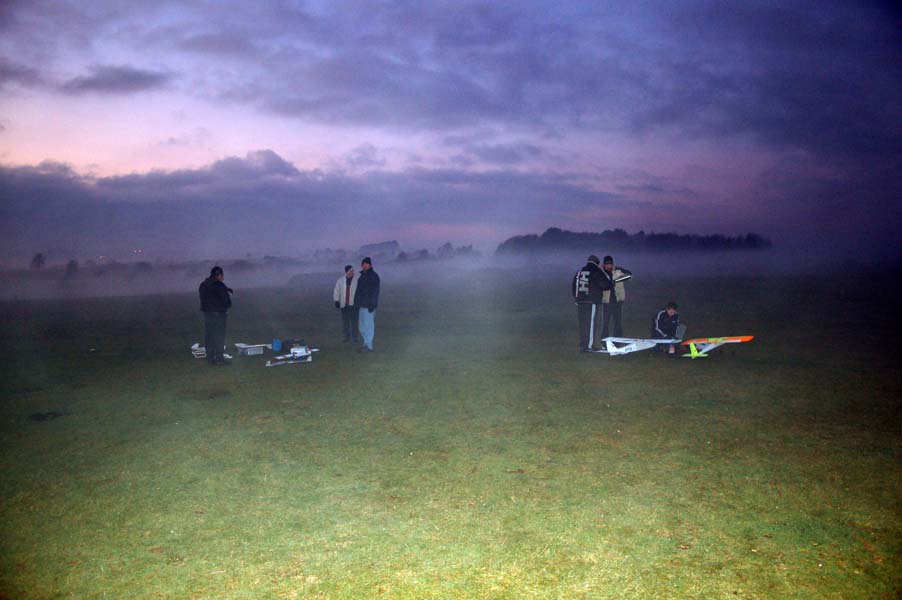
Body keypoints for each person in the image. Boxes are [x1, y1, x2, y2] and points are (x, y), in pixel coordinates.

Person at [572, 254, 611, 352]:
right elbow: (605, 284)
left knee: (583, 323)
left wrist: (576, 298)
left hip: (580, 301)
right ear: (597, 263)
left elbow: (574, 285)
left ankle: (583, 343)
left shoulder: (580, 271)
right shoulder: (596, 270)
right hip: (591, 301)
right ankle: (588, 347)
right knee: (591, 324)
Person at [198, 266, 233, 365]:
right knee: (219, 336)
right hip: (219, 315)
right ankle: (219, 358)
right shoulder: (219, 285)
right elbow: (226, 301)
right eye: (222, 275)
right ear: (219, 275)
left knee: (209, 336)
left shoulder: (203, 285)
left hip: (208, 314)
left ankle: (210, 358)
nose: (223, 277)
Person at [600, 255, 632, 338]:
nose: (609, 265)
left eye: (610, 264)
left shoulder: (618, 271)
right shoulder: (600, 272)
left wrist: (617, 279)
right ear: (604, 264)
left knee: (617, 323)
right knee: (605, 323)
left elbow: (629, 275)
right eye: (607, 264)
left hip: (617, 301)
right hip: (606, 301)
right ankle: (604, 343)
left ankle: (617, 342)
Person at [355, 256, 380, 353]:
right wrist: (356, 303)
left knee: (368, 326)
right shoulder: (362, 277)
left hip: (369, 305)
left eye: (365, 264)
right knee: (361, 326)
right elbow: (358, 292)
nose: (364, 266)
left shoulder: (373, 276)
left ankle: (368, 346)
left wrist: (372, 304)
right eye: (363, 264)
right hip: (361, 305)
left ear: (369, 264)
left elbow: (375, 291)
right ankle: (366, 343)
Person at [333, 264, 359, 343]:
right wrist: (336, 300)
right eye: (351, 271)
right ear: (347, 272)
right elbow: (336, 291)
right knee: (345, 322)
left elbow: (359, 291)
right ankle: (346, 337)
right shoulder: (340, 280)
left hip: (353, 305)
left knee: (354, 322)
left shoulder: (357, 280)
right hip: (344, 305)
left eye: (353, 271)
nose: (353, 272)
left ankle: (355, 338)